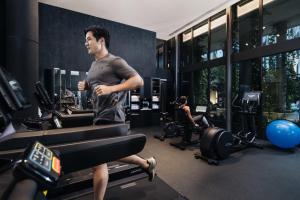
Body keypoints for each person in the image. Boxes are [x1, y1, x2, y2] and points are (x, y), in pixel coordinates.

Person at [78, 25, 156, 200]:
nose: (86, 43)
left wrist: (111, 89)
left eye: (89, 39)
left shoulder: (115, 61)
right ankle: (146, 163)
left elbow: (138, 80)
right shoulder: (94, 64)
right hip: (98, 116)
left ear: (101, 41)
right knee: (111, 154)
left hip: (111, 116)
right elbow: (97, 83)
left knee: (98, 162)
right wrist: (87, 86)